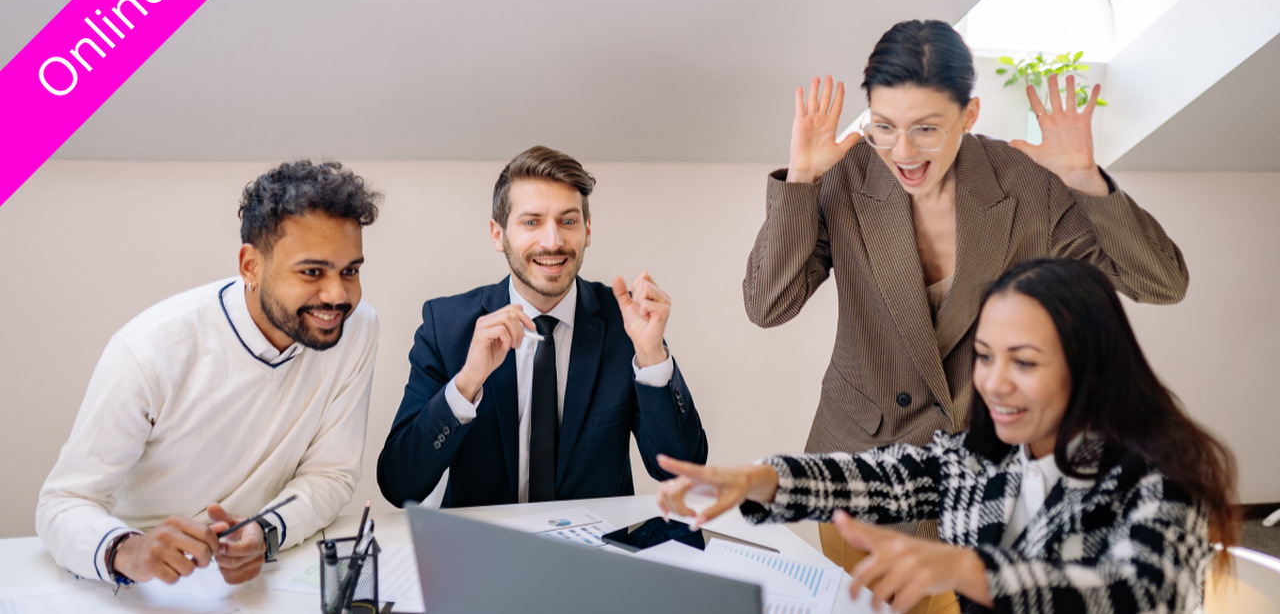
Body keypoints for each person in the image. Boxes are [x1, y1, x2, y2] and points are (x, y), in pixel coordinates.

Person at [742, 20, 1189, 550]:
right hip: (861, 473)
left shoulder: (1025, 184)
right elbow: (768, 305)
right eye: (883, 126)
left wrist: (1086, 179)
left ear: (968, 115)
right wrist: (800, 181)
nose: (902, 151)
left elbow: (1162, 282)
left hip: (984, 480)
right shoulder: (845, 176)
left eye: (926, 128)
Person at [661, 258, 1237, 614]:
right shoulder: (981, 459)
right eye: (984, 357)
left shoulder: (1159, 477)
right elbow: (880, 478)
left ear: (1089, 366)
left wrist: (964, 569)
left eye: (1025, 362)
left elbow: (1140, 595)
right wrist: (763, 479)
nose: (993, 383)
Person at [36, 160, 382, 588]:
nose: (337, 294)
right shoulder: (150, 350)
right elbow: (63, 502)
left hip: (258, 581)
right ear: (250, 266)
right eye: (312, 271)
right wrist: (130, 551)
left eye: (350, 270)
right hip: (136, 586)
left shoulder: (356, 327)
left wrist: (265, 530)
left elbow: (331, 473)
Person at [378, 145, 708, 508]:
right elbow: (398, 484)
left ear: (587, 230)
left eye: (568, 221)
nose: (553, 242)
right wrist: (466, 383)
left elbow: (683, 473)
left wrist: (651, 357)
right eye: (531, 222)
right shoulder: (446, 326)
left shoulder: (625, 322)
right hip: (483, 554)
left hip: (594, 554)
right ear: (497, 234)